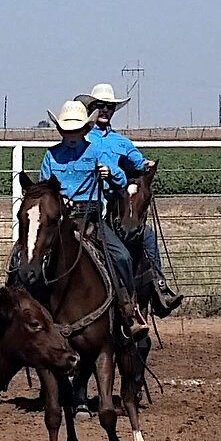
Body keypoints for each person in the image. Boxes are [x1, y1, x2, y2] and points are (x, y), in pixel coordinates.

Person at [39, 100, 147, 338]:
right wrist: (57, 200)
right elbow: (44, 188)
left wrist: (111, 173)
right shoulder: (51, 156)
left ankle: (128, 310)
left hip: (91, 220)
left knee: (122, 256)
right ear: (60, 131)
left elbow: (120, 182)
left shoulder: (96, 152)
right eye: (67, 131)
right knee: (28, 257)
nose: (71, 135)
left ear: (85, 130)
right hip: (60, 223)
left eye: (76, 130)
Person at [77, 83, 183, 317]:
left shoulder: (121, 142)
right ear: (91, 108)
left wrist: (145, 165)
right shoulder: (82, 140)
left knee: (146, 236)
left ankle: (158, 288)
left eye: (109, 107)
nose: (104, 111)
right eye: (100, 106)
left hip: (116, 205)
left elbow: (137, 161)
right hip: (91, 204)